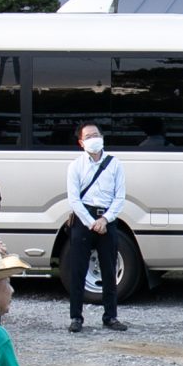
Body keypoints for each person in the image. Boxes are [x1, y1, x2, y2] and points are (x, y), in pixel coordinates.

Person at [61, 121, 130, 334]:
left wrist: (105, 220)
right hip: (84, 220)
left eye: (96, 134)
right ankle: (76, 317)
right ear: (81, 142)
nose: (93, 139)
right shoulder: (75, 166)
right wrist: (92, 222)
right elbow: (74, 200)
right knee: (78, 269)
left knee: (109, 269)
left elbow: (120, 197)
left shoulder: (115, 164)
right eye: (88, 136)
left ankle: (110, 316)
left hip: (107, 219)